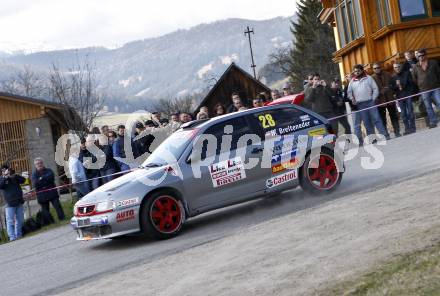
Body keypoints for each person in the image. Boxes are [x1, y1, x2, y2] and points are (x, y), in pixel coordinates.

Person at [347, 64, 390, 140]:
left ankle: (384, 135)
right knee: (367, 122)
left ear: (362, 70)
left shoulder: (368, 78)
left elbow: (375, 89)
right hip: (360, 104)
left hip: (370, 102)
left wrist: (373, 98)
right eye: (355, 71)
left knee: (376, 119)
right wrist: (352, 99)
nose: (356, 72)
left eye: (358, 71)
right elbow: (349, 92)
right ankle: (372, 138)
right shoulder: (352, 81)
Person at [412, 48, 440, 128]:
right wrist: (420, 84)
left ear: (426, 55)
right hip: (424, 89)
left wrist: (437, 83)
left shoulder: (433, 62)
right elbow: (414, 78)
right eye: (419, 56)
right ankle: (433, 121)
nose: (420, 57)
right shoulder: (415, 66)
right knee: (428, 106)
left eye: (422, 55)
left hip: (435, 87)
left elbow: (438, 73)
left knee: (439, 102)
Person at [372, 63, 401, 137]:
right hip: (380, 101)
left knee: (394, 116)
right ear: (373, 69)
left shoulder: (387, 74)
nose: (377, 69)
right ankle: (385, 134)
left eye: (378, 67)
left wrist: (390, 89)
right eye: (375, 68)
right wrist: (380, 93)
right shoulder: (372, 78)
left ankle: (397, 132)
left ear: (380, 67)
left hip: (390, 98)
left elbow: (393, 85)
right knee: (382, 119)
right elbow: (371, 90)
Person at [0, 164, 25, 241]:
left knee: (20, 220)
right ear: (2, 172)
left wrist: (15, 175)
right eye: (3, 170)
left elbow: (23, 180)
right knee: (10, 221)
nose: (5, 171)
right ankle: (12, 237)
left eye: (6, 169)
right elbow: (1, 186)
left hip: (19, 201)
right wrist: (5, 177)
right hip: (10, 203)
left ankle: (18, 235)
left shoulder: (14, 176)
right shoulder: (1, 178)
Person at [391, 62, 416, 135]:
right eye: (395, 67)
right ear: (394, 68)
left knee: (410, 112)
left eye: (398, 66)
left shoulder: (407, 73)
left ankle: (412, 128)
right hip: (400, 97)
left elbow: (411, 84)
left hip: (408, 95)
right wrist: (397, 85)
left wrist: (410, 93)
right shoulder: (393, 77)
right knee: (403, 114)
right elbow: (392, 88)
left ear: (401, 67)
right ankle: (407, 129)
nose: (397, 68)